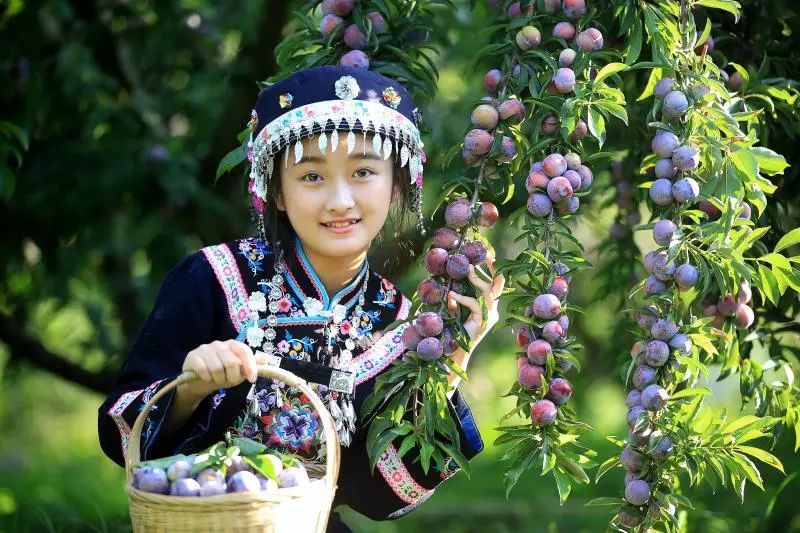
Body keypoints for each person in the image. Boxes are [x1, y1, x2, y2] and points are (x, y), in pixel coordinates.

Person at [98, 65, 505, 529]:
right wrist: (191, 389)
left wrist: (449, 367)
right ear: (276, 192)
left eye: (364, 172)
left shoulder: (399, 322)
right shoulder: (211, 278)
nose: (339, 200)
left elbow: (382, 497)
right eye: (311, 177)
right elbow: (119, 432)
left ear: (395, 187)